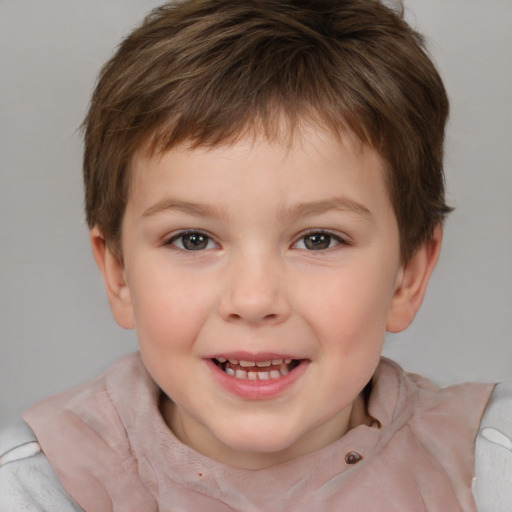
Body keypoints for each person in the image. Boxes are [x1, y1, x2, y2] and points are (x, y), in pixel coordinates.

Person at [0, 0, 510, 510]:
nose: (253, 299)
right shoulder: (36, 491)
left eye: (318, 239)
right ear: (119, 275)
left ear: (408, 276)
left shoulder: (487, 473)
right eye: (193, 240)